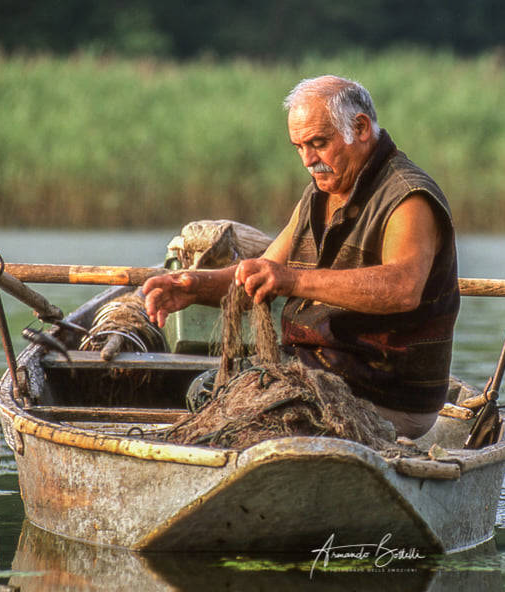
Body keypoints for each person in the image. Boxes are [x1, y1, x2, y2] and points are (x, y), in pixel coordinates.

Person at [143, 75, 459, 438]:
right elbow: (261, 274)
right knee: (205, 390)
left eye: (319, 144)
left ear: (360, 128)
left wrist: (294, 280)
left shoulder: (407, 197)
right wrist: (194, 286)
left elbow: (403, 288)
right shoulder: (318, 194)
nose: (309, 160)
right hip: (316, 374)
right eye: (299, 147)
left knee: (245, 407)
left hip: (384, 393)